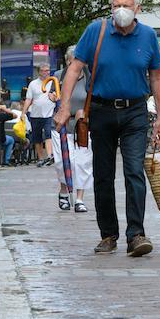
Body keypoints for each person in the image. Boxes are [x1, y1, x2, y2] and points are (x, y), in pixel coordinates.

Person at [54, 0, 160, 257]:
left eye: (126, 5)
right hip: (101, 111)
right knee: (103, 175)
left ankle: (136, 234)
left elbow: (156, 77)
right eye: (116, 5)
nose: (121, 10)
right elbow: (74, 69)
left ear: (138, 8)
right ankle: (108, 235)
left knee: (134, 172)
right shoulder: (96, 30)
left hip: (135, 111)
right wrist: (64, 106)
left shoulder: (148, 35)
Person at [52, 45, 94, 213]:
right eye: (71, 61)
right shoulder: (58, 76)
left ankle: (79, 199)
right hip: (61, 126)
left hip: (82, 126)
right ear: (67, 61)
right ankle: (64, 191)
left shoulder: (89, 77)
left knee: (82, 163)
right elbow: (51, 94)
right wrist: (52, 97)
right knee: (62, 162)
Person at [23, 64, 57, 167]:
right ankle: (41, 158)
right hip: (35, 114)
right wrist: (23, 112)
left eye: (47, 70)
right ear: (39, 72)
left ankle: (49, 156)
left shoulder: (53, 82)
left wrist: (54, 98)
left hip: (49, 113)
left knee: (48, 133)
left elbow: (58, 96)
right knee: (37, 137)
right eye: (43, 70)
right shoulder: (33, 84)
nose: (46, 72)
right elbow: (28, 99)